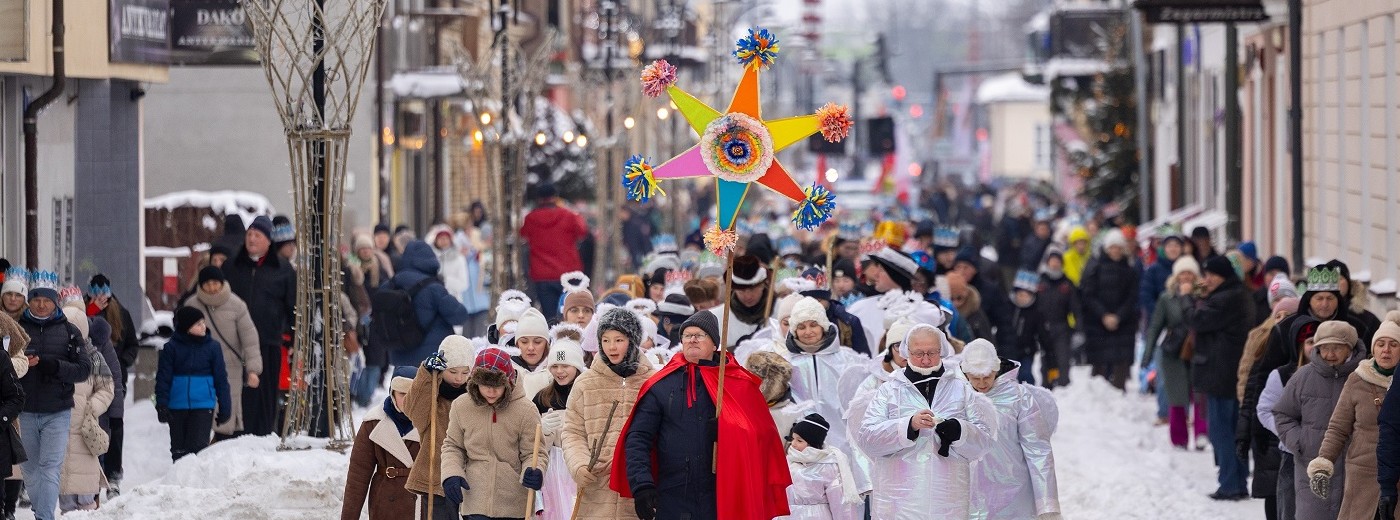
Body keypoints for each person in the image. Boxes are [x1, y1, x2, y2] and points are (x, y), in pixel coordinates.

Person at [612, 311, 791, 520]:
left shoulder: (738, 382)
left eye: (699, 335)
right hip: (673, 496)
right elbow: (638, 438)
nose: (692, 340)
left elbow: (761, 436)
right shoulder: (662, 384)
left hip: (723, 497)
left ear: (714, 344)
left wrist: (728, 429)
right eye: (687, 335)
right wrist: (642, 485)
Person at [855, 324, 995, 519]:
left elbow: (984, 442)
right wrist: (908, 426)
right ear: (907, 353)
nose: (926, 360)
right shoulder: (889, 390)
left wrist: (960, 431)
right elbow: (867, 439)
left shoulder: (961, 389)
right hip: (899, 501)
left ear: (941, 351)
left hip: (948, 500)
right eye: (919, 354)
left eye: (932, 353)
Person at [563, 308, 656, 519]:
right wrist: (579, 464)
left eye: (619, 340)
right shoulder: (586, 383)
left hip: (637, 493)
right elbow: (572, 431)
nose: (611, 347)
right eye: (605, 340)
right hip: (595, 493)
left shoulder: (653, 382)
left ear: (633, 340)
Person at [17, 271, 92, 520]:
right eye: (36, 299)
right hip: (25, 410)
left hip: (57, 411)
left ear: (55, 302)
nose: (41, 305)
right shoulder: (17, 330)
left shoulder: (70, 332)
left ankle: (44, 516)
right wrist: (19, 365)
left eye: (46, 300)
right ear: (29, 301)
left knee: (50, 467)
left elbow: (83, 369)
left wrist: (54, 366)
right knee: (30, 469)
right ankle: (42, 509)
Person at [1305, 321, 1400, 519]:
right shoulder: (1357, 380)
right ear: (1373, 349)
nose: (1386, 350)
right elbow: (1338, 428)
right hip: (1362, 474)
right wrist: (1324, 463)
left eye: (1393, 344)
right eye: (1380, 344)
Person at [438, 347, 546, 519]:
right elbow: (453, 446)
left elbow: (534, 453)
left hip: (513, 505)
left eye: (497, 386)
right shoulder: (461, 406)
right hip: (475, 501)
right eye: (485, 386)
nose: (491, 392)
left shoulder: (526, 410)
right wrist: (451, 473)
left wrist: (535, 470)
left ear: (508, 382)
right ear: (475, 382)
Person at [961, 340, 1061, 520]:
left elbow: (1037, 449)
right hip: (968, 493)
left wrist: (1047, 503)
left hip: (1014, 492)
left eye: (987, 376)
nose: (982, 383)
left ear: (996, 369)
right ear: (966, 373)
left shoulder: (1019, 396)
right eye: (975, 378)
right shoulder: (956, 395)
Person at [1275, 320, 1364, 519]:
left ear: (1349, 348)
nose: (1330, 354)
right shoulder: (1303, 377)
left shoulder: (1362, 377)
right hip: (1312, 467)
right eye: (1324, 348)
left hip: (1354, 468)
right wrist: (1300, 442)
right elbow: (1283, 414)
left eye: (1336, 348)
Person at [222, 215, 296, 437]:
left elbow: (293, 308)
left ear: (268, 241)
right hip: (235, 343)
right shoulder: (232, 266)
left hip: (268, 342)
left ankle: (262, 437)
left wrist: (293, 338)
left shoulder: (283, 269)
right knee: (237, 392)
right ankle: (234, 436)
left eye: (258, 235)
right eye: (250, 234)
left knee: (265, 395)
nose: (252, 239)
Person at [1189, 255, 1256, 500]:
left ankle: (1229, 484)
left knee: (1221, 431)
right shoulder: (1238, 294)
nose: (1206, 280)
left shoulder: (1226, 298)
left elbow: (1197, 320)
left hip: (1220, 374)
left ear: (1222, 276)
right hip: (1230, 373)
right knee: (1233, 430)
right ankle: (1237, 482)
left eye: (1210, 275)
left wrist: (1188, 298)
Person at [181, 266, 261, 441]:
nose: (212, 287)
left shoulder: (237, 305)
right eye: (207, 284)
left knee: (225, 412)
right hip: (198, 368)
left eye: (215, 283)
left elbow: (250, 339)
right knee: (199, 413)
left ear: (222, 283)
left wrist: (253, 370)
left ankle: (219, 445)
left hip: (229, 368)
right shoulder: (192, 305)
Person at [403, 335, 475, 520]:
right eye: (453, 371)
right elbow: (413, 412)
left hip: (472, 480)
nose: (459, 378)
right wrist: (426, 375)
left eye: (465, 372)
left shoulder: (475, 397)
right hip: (436, 477)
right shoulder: (433, 394)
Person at [1259, 316, 1320, 520]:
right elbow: (1265, 410)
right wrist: (1290, 435)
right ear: (1299, 345)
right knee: (1290, 510)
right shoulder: (1282, 375)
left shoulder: (1336, 376)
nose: (1315, 347)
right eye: (1310, 342)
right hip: (1292, 455)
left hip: (1327, 456)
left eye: (1319, 342)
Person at [1142, 256, 1205, 447]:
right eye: (1182, 273)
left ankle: (1201, 433)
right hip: (1173, 352)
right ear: (1176, 276)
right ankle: (1179, 438)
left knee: (1200, 393)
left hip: (1198, 349)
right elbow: (1155, 326)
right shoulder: (1166, 298)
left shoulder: (1202, 295)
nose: (1186, 277)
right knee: (1176, 395)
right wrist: (1147, 354)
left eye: (1189, 273)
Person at [342, 368, 420, 520]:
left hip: (421, 502)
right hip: (385, 504)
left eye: (413, 394)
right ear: (392, 393)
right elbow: (358, 475)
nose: (408, 400)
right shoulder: (373, 423)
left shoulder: (431, 423)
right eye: (402, 394)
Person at [155, 307, 231, 462]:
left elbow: (221, 379)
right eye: (198, 324)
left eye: (203, 322)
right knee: (178, 450)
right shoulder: (171, 348)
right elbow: (163, 379)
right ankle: (179, 476)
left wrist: (225, 406)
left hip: (203, 405)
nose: (203, 326)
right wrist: (161, 404)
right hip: (177, 406)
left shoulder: (213, 348)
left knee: (198, 449)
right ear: (187, 327)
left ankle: (195, 477)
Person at [385, 240, 470, 368]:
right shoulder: (433, 288)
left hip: (399, 355)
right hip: (430, 358)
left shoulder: (390, 285)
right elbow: (460, 315)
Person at [534, 326, 586, 520]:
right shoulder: (543, 398)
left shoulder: (586, 394)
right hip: (552, 469)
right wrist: (541, 429)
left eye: (565, 366)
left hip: (578, 463)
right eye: (555, 366)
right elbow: (530, 439)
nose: (560, 371)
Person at [1079, 229, 1140, 390]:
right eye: (1112, 247)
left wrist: (1118, 316)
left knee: (1121, 363)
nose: (1116, 251)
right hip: (1098, 322)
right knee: (1099, 363)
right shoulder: (1095, 268)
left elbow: (1132, 297)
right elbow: (1088, 295)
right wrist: (1104, 315)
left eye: (1119, 247)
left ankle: (1119, 394)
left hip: (1123, 323)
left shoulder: (1129, 270)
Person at [520, 183, 589, 321]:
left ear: (539, 198)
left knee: (551, 317)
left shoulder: (530, 218)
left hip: (542, 274)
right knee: (572, 313)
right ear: (556, 197)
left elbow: (523, 235)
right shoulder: (568, 215)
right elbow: (582, 232)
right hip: (569, 272)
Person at [782, 413, 862, 520]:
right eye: (793, 438)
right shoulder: (788, 461)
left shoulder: (827, 466)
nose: (793, 444)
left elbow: (841, 503)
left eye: (799, 440)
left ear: (812, 443)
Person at [706, 255, 772, 348]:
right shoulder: (715, 317)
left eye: (752, 290)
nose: (748, 296)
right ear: (734, 289)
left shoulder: (780, 312)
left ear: (762, 286)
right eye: (742, 291)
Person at [1037, 250, 1078, 388]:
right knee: (1046, 359)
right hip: (1043, 327)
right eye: (1052, 261)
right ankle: (1047, 384)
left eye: (1057, 261)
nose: (1054, 264)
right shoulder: (1039, 281)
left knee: (1063, 358)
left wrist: (1078, 328)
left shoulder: (1067, 284)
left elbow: (1076, 308)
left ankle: (1064, 385)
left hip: (1062, 326)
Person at [1005, 271, 1045, 384]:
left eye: (1026, 295)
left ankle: (1029, 392)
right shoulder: (1007, 308)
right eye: (1020, 294)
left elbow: (1042, 333)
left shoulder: (1035, 312)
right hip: (1007, 350)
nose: (1022, 298)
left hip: (1026, 351)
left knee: (1026, 374)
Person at [1140, 235, 1184, 326]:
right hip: (1159, 321)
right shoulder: (1153, 269)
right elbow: (1146, 295)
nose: (1173, 249)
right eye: (1169, 246)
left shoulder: (1187, 267)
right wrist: (1160, 315)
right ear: (1164, 249)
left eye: (1176, 246)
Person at [426, 225, 469, 306]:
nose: (443, 241)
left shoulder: (459, 258)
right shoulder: (430, 258)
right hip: (434, 302)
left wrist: (445, 280)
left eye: (446, 238)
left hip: (453, 302)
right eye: (440, 238)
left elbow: (464, 284)